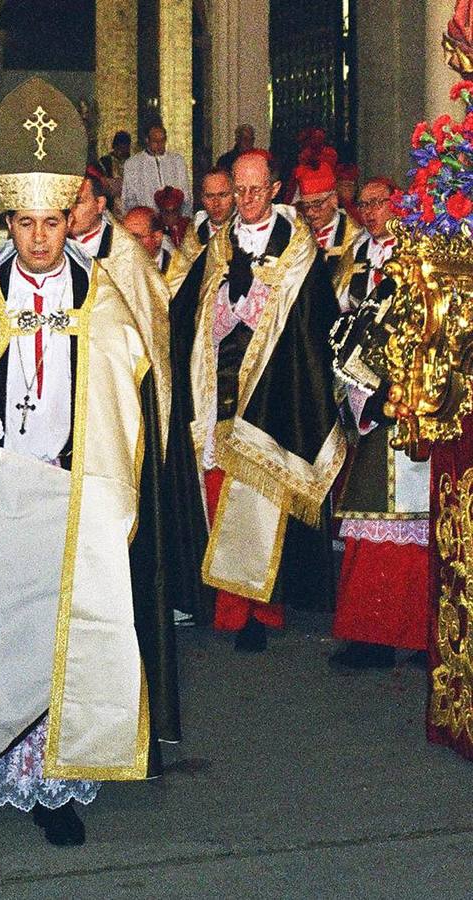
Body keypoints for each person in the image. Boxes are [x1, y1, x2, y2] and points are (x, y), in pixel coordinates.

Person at [0, 77, 178, 848]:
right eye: (23, 224)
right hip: (2, 489)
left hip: (71, 484)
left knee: (67, 624)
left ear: (70, 220)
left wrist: (84, 451)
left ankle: (54, 779)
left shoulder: (101, 299)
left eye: (51, 224)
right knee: (7, 625)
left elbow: (124, 385)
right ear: (10, 220)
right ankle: (1, 754)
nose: (37, 240)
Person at [166, 150, 345, 652]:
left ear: (273, 188)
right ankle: (228, 607)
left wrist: (262, 311)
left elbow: (314, 323)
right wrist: (225, 310)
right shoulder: (216, 246)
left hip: (273, 390)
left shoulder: (298, 249)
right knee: (219, 489)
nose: (245, 200)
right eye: (237, 190)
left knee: (264, 494)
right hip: (219, 388)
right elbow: (191, 316)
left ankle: (263, 610)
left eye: (254, 189)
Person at [330, 176, 427, 669]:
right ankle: (374, 633)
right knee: (373, 514)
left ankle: (412, 635)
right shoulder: (354, 255)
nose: (369, 212)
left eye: (378, 203)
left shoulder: (420, 256)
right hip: (363, 394)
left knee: (408, 518)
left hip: (408, 395)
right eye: (362, 205)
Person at [295, 161, 364, 295]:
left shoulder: (356, 237)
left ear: (333, 199)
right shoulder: (295, 231)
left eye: (317, 204)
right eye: (306, 206)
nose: (310, 212)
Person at [166, 166, 235, 293]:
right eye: (210, 196)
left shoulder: (243, 232)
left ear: (234, 195)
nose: (216, 203)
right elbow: (176, 282)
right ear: (202, 199)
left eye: (222, 195)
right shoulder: (193, 237)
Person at [121, 121, 191, 216]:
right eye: (155, 141)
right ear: (147, 140)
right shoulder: (133, 163)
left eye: (162, 140)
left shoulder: (177, 161)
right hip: (147, 217)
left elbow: (185, 193)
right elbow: (129, 198)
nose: (159, 144)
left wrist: (184, 217)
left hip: (173, 216)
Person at [123, 205, 173, 274]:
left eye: (136, 238)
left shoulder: (177, 270)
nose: (127, 245)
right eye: (125, 238)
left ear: (157, 237)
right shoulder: (118, 267)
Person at [97, 129, 131, 209]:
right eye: (121, 146)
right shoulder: (105, 162)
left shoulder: (131, 162)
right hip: (111, 204)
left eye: (126, 146)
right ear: (115, 146)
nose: (124, 150)